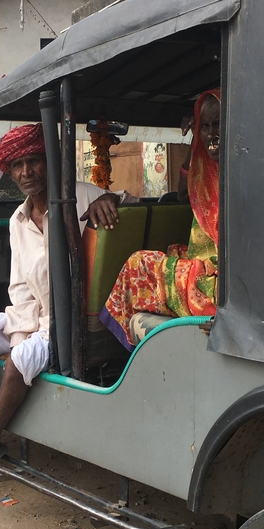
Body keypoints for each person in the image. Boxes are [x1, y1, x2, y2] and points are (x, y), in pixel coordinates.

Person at [0, 122, 138, 478]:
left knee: (20, 359)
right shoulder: (17, 219)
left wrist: (111, 198)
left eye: (34, 161)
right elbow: (21, 288)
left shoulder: (82, 197)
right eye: (17, 165)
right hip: (30, 317)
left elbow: (132, 206)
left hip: (70, 321)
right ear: (10, 173)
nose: (26, 172)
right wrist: (18, 333)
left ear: (49, 162)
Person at [99, 89, 220, 350]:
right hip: (207, 268)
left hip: (220, 284)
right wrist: (193, 145)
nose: (211, 134)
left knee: (137, 263)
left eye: (218, 124)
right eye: (205, 126)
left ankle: (112, 353)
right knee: (170, 252)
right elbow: (181, 194)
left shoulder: (242, 168)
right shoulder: (210, 165)